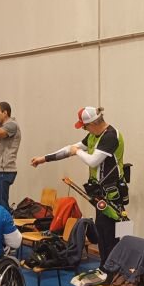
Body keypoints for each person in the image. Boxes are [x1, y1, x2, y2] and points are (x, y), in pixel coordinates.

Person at [30, 106, 125, 264]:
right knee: (101, 230)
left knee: (110, 232)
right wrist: (44, 159)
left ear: (93, 123)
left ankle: (112, 269)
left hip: (112, 194)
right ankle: (105, 267)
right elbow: (69, 149)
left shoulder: (110, 136)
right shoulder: (93, 135)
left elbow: (93, 160)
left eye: (85, 127)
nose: (84, 130)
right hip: (100, 193)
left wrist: (77, 152)